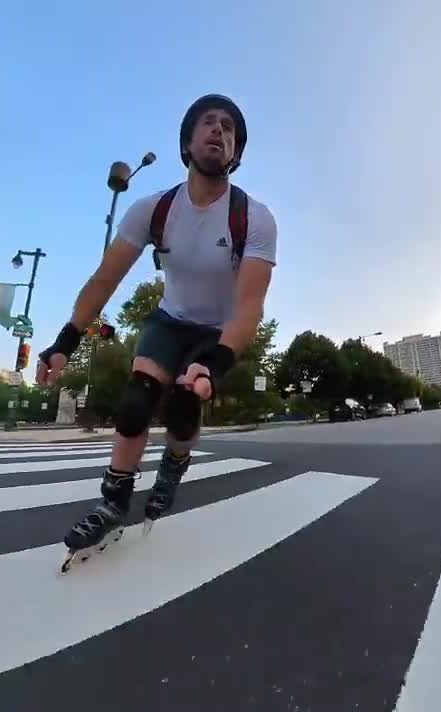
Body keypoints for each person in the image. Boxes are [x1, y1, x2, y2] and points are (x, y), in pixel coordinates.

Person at [36, 93, 278, 562]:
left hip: (219, 329)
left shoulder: (254, 218)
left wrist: (214, 364)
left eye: (229, 128)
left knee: (186, 408)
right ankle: (113, 502)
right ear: (187, 143)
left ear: (237, 154)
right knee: (136, 402)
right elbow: (105, 279)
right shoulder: (154, 210)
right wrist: (64, 341)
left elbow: (250, 305)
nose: (218, 131)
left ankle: (174, 466)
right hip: (169, 319)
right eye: (208, 123)